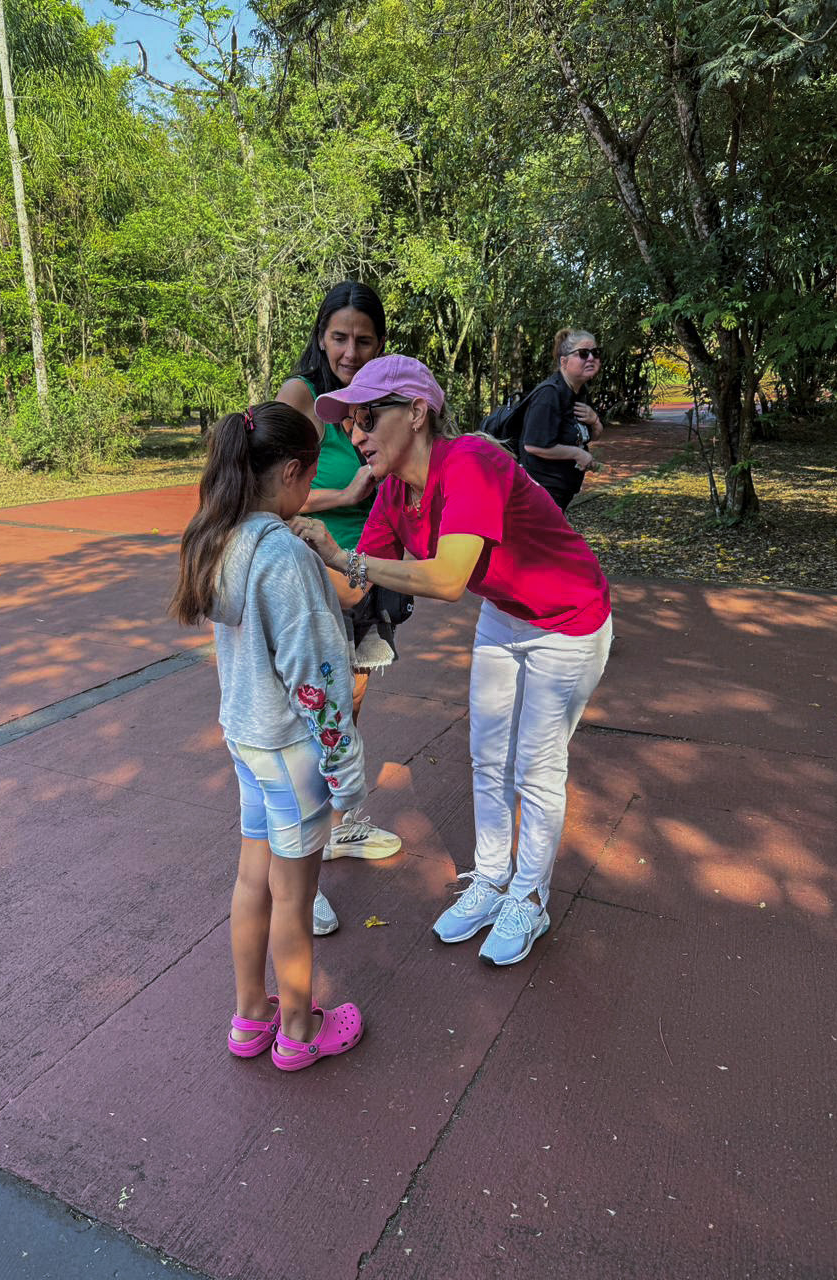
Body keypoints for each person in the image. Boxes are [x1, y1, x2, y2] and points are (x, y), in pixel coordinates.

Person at [291, 355, 612, 968]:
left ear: (416, 413)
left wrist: (340, 554)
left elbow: (444, 578)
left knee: (535, 765)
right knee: (488, 754)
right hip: (506, 614)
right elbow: (355, 588)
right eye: (349, 422)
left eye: (365, 418)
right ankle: (492, 880)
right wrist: (278, 559)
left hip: (570, 620)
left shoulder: (472, 461)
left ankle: (531, 896)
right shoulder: (391, 495)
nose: (355, 434)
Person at [171, 402, 365, 1071]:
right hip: (290, 749)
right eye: (310, 478)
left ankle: (251, 1015)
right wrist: (346, 767)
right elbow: (319, 677)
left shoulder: (219, 536)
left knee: (253, 880)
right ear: (290, 472)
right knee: (294, 893)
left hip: (247, 740)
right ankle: (298, 1031)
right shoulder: (282, 556)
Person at [277, 282, 402, 937]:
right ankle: (301, 876)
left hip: (370, 574)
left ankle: (339, 827)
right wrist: (350, 488)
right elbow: (268, 492)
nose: (351, 351)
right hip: (314, 578)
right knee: (310, 723)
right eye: (340, 337)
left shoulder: (381, 401)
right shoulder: (301, 398)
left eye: (365, 339)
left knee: (346, 712)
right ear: (321, 335)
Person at [519, 328, 605, 512]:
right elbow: (534, 445)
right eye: (583, 353)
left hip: (563, 489)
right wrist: (577, 454)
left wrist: (595, 420)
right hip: (540, 491)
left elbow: (590, 436)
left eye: (595, 353)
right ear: (564, 361)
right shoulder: (549, 394)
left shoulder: (580, 392)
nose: (591, 358)